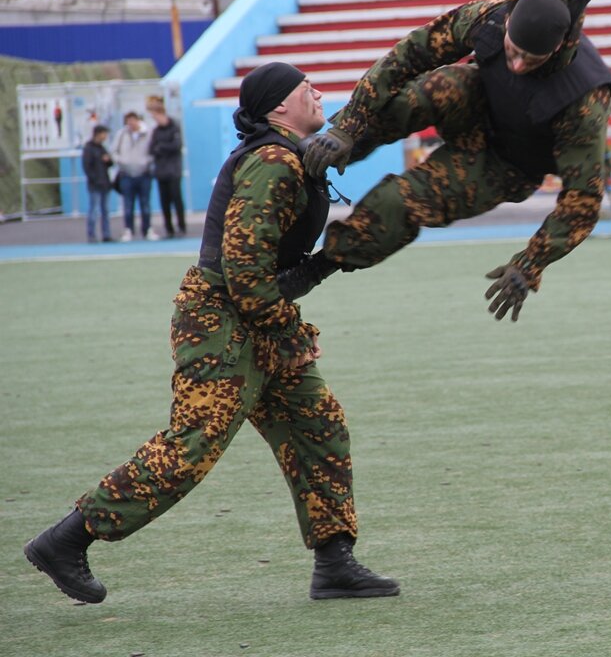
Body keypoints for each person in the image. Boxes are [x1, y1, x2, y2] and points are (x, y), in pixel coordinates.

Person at [23, 62, 398, 604]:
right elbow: (245, 276)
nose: (317, 93)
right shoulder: (272, 161)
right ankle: (65, 540)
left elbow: (268, 273)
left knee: (318, 424)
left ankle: (335, 564)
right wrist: (296, 320)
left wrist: (323, 266)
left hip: (253, 316)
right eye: (305, 88)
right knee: (191, 447)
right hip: (221, 321)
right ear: (277, 108)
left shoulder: (292, 157)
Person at [283, 0, 611, 322]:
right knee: (438, 86)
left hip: (506, 164)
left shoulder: (584, 97)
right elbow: (407, 56)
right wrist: (348, 128)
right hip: (474, 106)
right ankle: (322, 157)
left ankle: (317, 268)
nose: (517, 65)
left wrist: (530, 264)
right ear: (507, 26)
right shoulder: (487, 18)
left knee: (401, 201)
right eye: (512, 51)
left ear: (556, 48)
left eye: (530, 60)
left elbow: (583, 198)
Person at [112, 111, 158, 241]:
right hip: (126, 174)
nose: (130, 124)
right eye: (128, 121)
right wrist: (121, 162)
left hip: (144, 174)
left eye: (133, 120)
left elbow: (153, 150)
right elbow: (114, 151)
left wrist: (147, 162)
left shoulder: (148, 133)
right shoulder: (121, 134)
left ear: (138, 120)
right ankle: (128, 230)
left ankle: (147, 229)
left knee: (145, 203)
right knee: (128, 204)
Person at [147, 95, 187, 238]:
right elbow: (151, 149)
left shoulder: (174, 127)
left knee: (177, 199)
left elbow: (176, 146)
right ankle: (169, 229)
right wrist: (162, 148)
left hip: (173, 171)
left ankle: (181, 226)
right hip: (161, 171)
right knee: (164, 202)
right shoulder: (156, 131)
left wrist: (161, 147)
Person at [81, 125, 114, 243]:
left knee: (105, 210)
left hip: (105, 183)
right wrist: (95, 179)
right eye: (104, 133)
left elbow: (110, 164)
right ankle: (91, 235)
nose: (105, 136)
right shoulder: (89, 148)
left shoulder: (102, 148)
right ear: (98, 134)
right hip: (95, 185)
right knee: (93, 210)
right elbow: (87, 167)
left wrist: (108, 160)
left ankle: (106, 234)